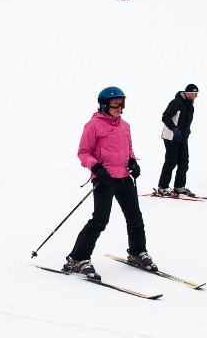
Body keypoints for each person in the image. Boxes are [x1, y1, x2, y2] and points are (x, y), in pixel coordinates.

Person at [63, 86, 157, 279]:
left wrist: (132, 161)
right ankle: (78, 258)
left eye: (122, 104)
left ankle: (137, 252)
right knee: (100, 220)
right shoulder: (93, 125)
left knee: (135, 218)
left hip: (124, 177)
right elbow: (83, 153)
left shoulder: (125, 126)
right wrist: (96, 168)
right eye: (115, 104)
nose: (119, 108)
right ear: (104, 105)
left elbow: (128, 148)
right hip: (105, 179)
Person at [156, 84, 199, 196]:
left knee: (184, 162)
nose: (196, 96)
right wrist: (175, 129)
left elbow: (187, 123)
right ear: (188, 93)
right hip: (171, 137)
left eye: (196, 94)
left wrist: (186, 133)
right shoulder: (176, 102)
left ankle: (179, 186)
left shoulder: (191, 106)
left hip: (183, 138)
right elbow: (165, 117)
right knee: (171, 161)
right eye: (194, 94)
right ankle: (163, 187)